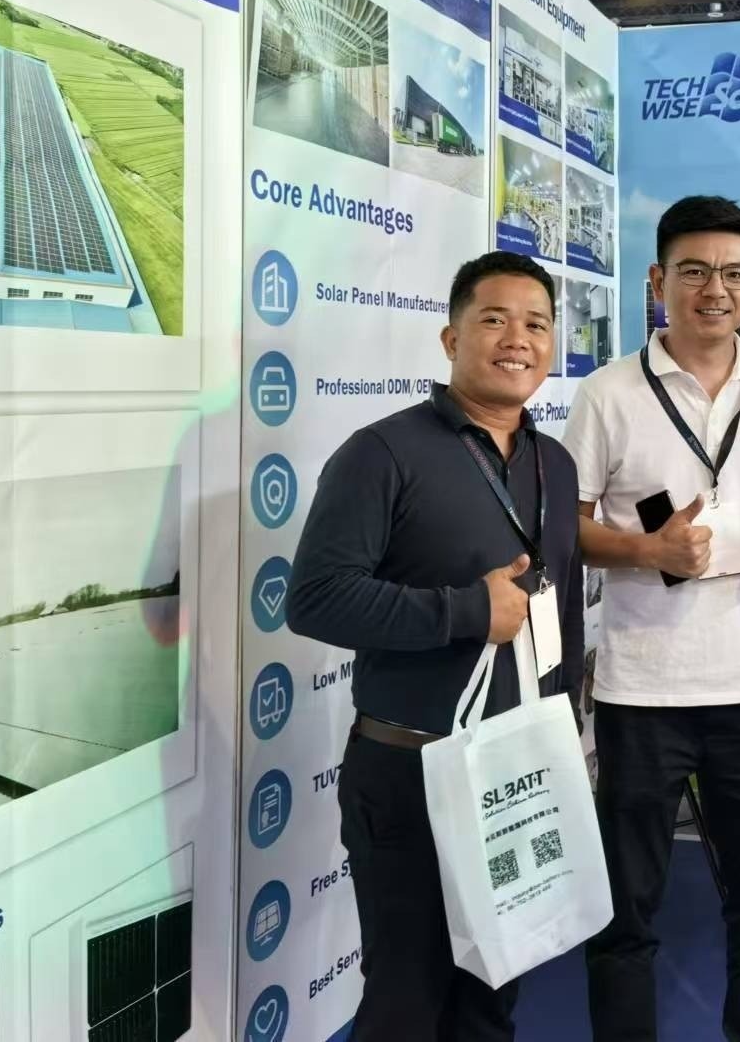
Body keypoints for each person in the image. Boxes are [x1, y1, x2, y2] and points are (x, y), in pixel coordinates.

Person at [286, 252, 585, 1042]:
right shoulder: (382, 453)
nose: (517, 339)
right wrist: (465, 610)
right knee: (406, 1001)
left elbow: (561, 612)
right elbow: (314, 598)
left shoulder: (555, 464)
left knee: (494, 992)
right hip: (409, 773)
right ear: (452, 338)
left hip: (515, 774)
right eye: (494, 319)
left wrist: (568, 739)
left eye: (536, 324)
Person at [564, 195, 740, 1042]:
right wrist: (648, 550)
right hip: (642, 692)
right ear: (657, 279)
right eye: (696, 271)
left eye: (735, 274)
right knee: (624, 909)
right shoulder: (607, 393)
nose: (717, 289)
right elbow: (570, 526)